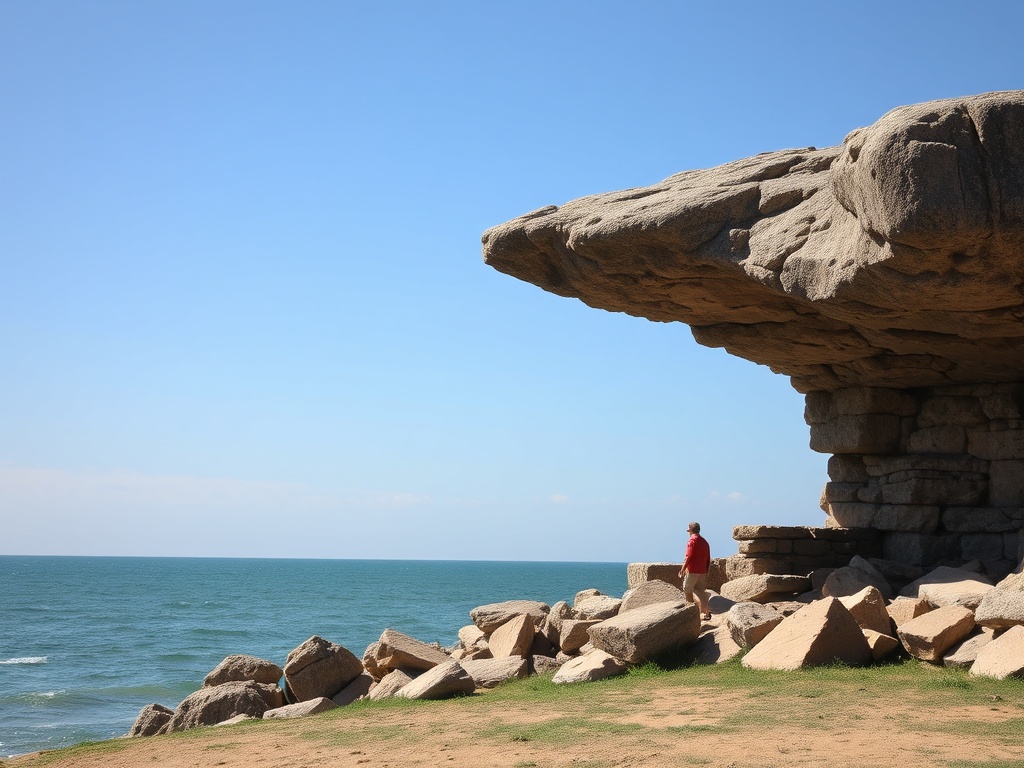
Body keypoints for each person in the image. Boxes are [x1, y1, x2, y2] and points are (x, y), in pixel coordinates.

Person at [678, 521, 711, 621]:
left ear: (690, 530)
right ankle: (707, 612)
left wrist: (683, 569)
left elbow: (689, 557)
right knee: (700, 591)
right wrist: (706, 569)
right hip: (702, 570)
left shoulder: (692, 541)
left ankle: (691, 611)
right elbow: (708, 558)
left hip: (692, 570)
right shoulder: (704, 542)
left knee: (687, 589)